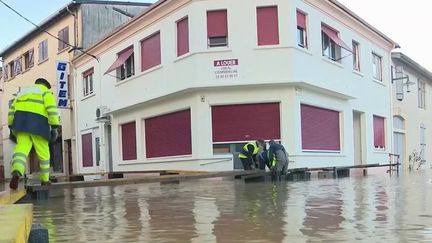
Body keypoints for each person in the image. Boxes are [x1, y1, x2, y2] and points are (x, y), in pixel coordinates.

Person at [8, 78, 59, 189]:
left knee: (20, 151)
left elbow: (12, 110)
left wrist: (11, 126)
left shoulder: (22, 92)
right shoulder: (45, 92)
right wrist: (55, 126)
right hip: (39, 124)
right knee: (43, 153)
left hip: (21, 124)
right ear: (46, 85)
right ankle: (45, 180)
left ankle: (16, 171)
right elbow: (51, 109)